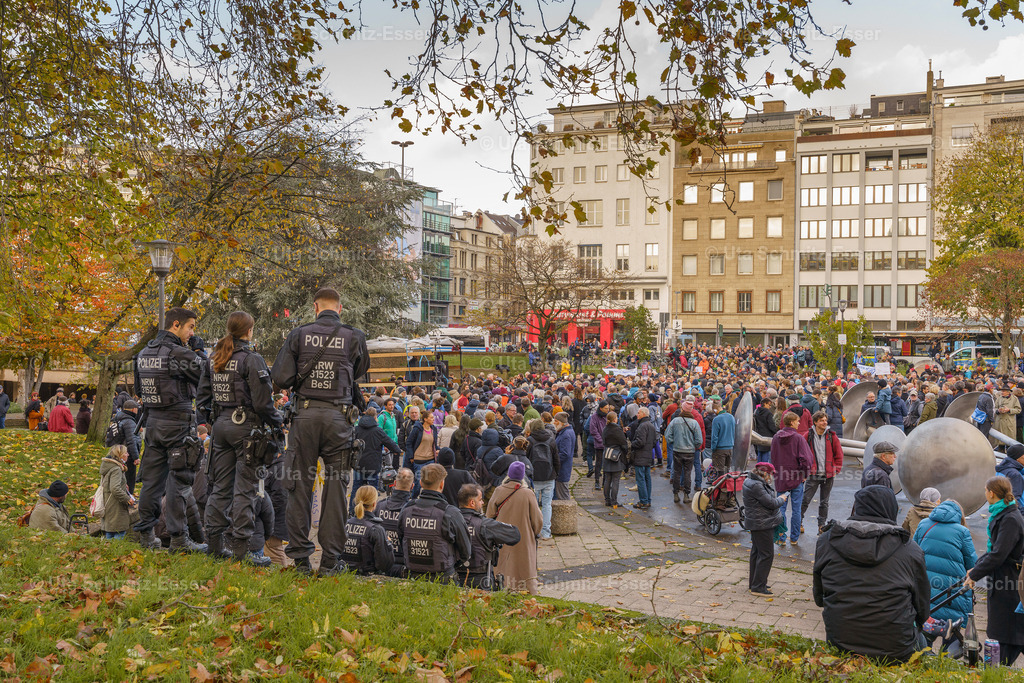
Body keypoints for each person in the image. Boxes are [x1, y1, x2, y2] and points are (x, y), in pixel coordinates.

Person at [272, 288, 369, 576]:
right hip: (339, 419)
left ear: (315, 307)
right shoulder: (354, 336)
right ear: (340, 308)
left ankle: (301, 560)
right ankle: (329, 561)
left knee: (298, 486)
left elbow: (281, 377)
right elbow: (359, 371)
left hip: (304, 418)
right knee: (337, 488)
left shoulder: (299, 334)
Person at [197, 311, 284, 566]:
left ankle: (214, 546)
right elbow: (263, 402)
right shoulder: (251, 359)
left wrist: (214, 421)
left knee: (220, 488)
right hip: (246, 429)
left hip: (221, 427)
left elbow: (202, 398)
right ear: (248, 331)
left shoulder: (214, 358)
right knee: (245, 489)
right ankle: (241, 551)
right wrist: (277, 422)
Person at [813, 485, 931, 663]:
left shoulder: (826, 541)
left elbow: (819, 598)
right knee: (923, 642)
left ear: (856, 507)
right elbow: (922, 607)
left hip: (841, 643)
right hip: (896, 650)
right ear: (891, 509)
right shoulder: (911, 550)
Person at [132, 307, 207, 553]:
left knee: (152, 483)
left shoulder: (143, 353)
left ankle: (146, 535)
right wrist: (198, 352)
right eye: (190, 327)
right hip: (178, 424)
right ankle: (179, 539)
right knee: (179, 482)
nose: (192, 332)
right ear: (176, 325)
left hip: (153, 424)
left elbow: (139, 391)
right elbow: (208, 377)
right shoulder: (179, 353)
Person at [964, 476, 1024, 666]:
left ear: (991, 493)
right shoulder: (1004, 514)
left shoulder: (1010, 519)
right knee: (1007, 629)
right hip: (1003, 579)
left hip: (1009, 581)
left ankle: (998, 669)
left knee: (1008, 630)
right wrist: (975, 568)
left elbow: (999, 554)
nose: (984, 493)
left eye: (985, 490)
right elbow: (994, 551)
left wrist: (975, 574)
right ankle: (998, 667)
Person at [397, 463, 471, 583]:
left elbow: (401, 538)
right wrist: (450, 564)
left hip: (412, 576)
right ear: (442, 484)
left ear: (421, 483)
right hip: (443, 578)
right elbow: (466, 552)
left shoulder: (407, 509)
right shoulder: (450, 513)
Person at [913, 499, 976, 626]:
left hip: (925, 583)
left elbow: (913, 552)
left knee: (926, 621)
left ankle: (927, 636)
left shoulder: (923, 524)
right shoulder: (962, 532)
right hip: (952, 588)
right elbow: (972, 563)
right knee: (952, 624)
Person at [486, 460, 542, 594]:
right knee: (524, 568)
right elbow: (538, 520)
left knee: (504, 567)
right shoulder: (528, 493)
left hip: (502, 537)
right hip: (524, 538)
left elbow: (489, 515)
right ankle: (526, 591)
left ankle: (503, 588)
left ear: (509, 474)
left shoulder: (499, 491)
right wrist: (534, 533)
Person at [458, 483, 522, 590]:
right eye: (480, 500)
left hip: (455, 578)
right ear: (472, 503)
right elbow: (515, 535)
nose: (483, 502)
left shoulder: (449, 521)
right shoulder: (485, 524)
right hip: (481, 579)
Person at [742, 462, 789, 597]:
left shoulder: (751, 481)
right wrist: (782, 498)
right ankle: (758, 587)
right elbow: (772, 503)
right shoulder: (757, 485)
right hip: (762, 523)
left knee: (757, 553)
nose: (772, 477)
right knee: (766, 554)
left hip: (757, 522)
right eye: (771, 474)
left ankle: (755, 583)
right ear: (765, 473)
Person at [770, 411, 812, 545]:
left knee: (780, 508)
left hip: (781, 477)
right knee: (796, 509)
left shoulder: (776, 437)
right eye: (798, 421)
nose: (799, 423)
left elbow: (772, 457)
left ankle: (781, 538)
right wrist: (805, 474)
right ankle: (794, 538)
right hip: (796, 477)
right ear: (792, 422)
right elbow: (806, 459)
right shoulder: (798, 438)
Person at [351, 406, 402, 514]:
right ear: (375, 417)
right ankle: (370, 512)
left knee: (356, 488)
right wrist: (397, 450)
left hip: (358, 464)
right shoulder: (377, 430)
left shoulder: (357, 429)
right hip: (372, 464)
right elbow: (389, 442)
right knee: (372, 489)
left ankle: (352, 511)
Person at [801, 410, 843, 535]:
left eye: (825, 420)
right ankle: (799, 522)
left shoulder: (831, 436)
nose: (825, 422)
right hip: (813, 474)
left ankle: (821, 526)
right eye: (821, 421)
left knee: (824, 502)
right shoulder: (808, 436)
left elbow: (839, 454)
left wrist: (836, 469)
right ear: (815, 422)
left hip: (828, 475)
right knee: (805, 500)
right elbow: (801, 454)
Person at [340, 485, 395, 576]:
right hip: (367, 575)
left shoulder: (344, 525)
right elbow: (385, 564)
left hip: (344, 573)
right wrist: (388, 545)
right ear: (374, 504)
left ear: (356, 501)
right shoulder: (376, 529)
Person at [376, 467, 415, 570]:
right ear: (412, 486)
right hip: (404, 561)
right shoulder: (413, 510)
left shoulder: (379, 506)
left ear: (394, 483)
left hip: (382, 560)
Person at [665, 403, 702, 504]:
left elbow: (667, 435)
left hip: (677, 450)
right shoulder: (694, 423)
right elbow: (699, 440)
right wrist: (694, 445)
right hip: (690, 452)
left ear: (682, 409)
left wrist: (673, 442)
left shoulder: (675, 421)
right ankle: (686, 495)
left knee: (677, 472)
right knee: (687, 473)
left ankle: (676, 494)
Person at [100, 445, 136, 540]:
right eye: (126, 453)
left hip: (108, 503)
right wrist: (128, 499)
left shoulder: (109, 466)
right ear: (120, 455)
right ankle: (115, 549)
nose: (128, 455)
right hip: (116, 506)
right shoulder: (116, 469)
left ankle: (108, 548)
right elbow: (115, 488)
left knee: (110, 531)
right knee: (119, 532)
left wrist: (123, 485)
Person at [629, 407, 656, 510]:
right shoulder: (651, 425)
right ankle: (647, 500)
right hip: (648, 455)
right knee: (647, 479)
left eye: (639, 413)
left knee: (640, 479)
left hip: (640, 456)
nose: (637, 415)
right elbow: (654, 442)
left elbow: (640, 442)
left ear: (644, 414)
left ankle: (643, 501)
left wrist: (632, 444)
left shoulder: (642, 426)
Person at [601, 411, 628, 508]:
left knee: (607, 479)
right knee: (616, 480)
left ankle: (607, 500)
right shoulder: (617, 429)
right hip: (616, 455)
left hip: (607, 454)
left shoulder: (605, 429)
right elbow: (623, 443)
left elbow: (604, 441)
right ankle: (614, 501)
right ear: (614, 419)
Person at [708, 399, 735, 478]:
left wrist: (713, 449)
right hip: (730, 447)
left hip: (720, 449)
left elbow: (714, 437)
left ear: (715, 409)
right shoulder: (731, 417)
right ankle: (727, 485)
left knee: (719, 472)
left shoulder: (716, 419)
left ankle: (721, 485)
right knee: (727, 470)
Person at [553, 412, 575, 501]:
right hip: (562, 469)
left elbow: (565, 454)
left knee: (563, 497)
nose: (554, 423)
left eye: (555, 421)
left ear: (561, 422)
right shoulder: (565, 432)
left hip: (562, 469)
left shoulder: (566, 434)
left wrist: (554, 461)